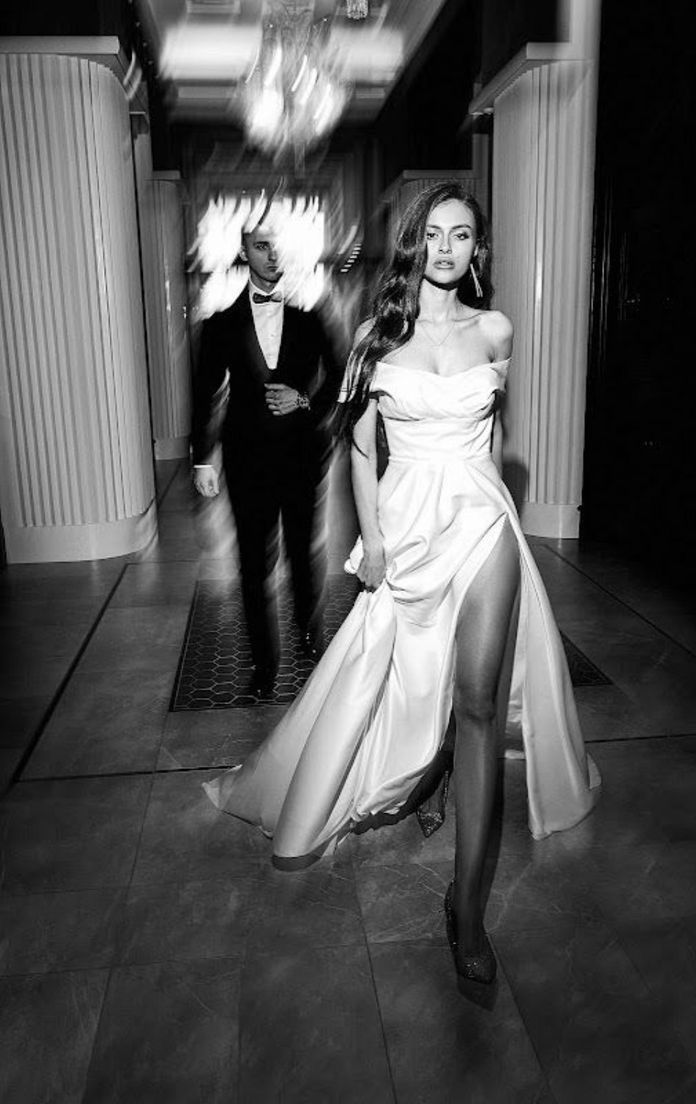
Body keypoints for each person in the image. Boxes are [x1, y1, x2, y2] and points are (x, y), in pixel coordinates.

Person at [203, 181, 600, 998]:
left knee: (481, 703)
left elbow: (496, 435)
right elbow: (354, 444)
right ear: (415, 246)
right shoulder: (377, 339)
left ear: (476, 249)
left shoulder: (497, 329)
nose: (448, 247)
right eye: (435, 234)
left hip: (482, 522)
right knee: (406, 682)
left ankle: (467, 911)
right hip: (410, 528)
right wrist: (375, 540)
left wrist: (491, 492)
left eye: (463, 235)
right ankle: (430, 772)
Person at [191, 217, 343, 698]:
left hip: (301, 456)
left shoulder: (310, 316)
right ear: (245, 253)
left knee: (303, 554)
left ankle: (307, 636)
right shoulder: (220, 324)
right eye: (261, 247)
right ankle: (262, 664)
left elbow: (342, 379)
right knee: (253, 565)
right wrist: (202, 458)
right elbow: (204, 392)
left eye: (278, 247)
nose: (272, 256)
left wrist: (305, 402)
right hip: (246, 460)